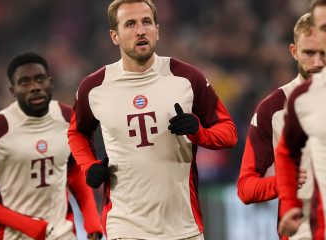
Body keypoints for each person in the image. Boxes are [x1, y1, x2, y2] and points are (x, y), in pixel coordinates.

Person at [67, 0, 237, 239]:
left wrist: (200, 132)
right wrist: (89, 165)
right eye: (130, 24)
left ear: (157, 29)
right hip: (124, 226)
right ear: (114, 36)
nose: (140, 30)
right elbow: (77, 133)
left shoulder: (187, 78)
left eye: (147, 22)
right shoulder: (94, 87)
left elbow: (229, 132)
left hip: (182, 227)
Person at [0, 52, 103, 240]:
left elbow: (74, 170)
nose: (35, 87)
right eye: (25, 82)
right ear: (13, 91)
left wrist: (91, 219)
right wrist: (27, 225)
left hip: (63, 233)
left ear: (50, 82)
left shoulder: (67, 118)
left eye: (39, 79)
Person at [237, 12, 325, 239]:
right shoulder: (272, 110)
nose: (317, 62)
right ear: (294, 52)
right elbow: (245, 188)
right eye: (309, 53)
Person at [277, 1, 326, 238]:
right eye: (310, 53)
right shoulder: (295, 101)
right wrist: (288, 203)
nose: (317, 62)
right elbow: (285, 154)